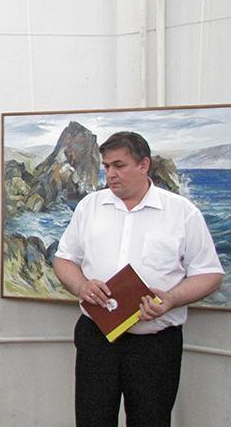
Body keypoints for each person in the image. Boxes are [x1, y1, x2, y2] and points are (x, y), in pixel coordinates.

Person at [53, 131, 224, 427]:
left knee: (151, 420)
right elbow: (64, 259)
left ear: (144, 165)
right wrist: (81, 286)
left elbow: (209, 273)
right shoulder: (89, 206)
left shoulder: (182, 212)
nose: (110, 174)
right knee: (92, 420)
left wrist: (171, 299)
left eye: (119, 165)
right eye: (107, 166)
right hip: (97, 337)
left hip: (155, 345)